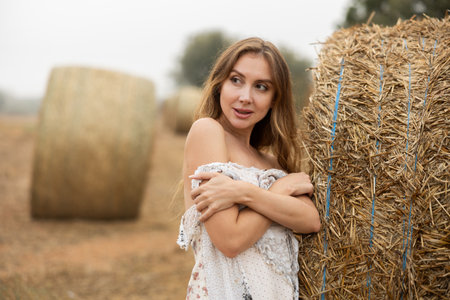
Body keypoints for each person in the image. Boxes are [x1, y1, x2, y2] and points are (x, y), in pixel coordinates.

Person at [177, 37, 321, 300]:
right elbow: (230, 240)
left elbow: (310, 220)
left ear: (274, 99)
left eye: (261, 87)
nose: (246, 97)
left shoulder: (272, 163)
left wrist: (241, 193)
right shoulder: (208, 132)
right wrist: (279, 189)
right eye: (236, 80)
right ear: (219, 84)